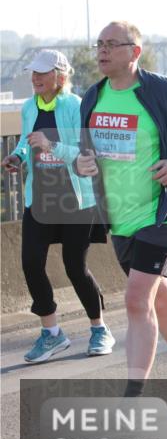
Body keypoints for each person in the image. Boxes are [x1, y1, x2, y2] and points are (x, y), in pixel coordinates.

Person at [74, 21, 167, 414]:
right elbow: (84, 152)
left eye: (112, 44)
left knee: (137, 299)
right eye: (99, 44)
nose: (102, 51)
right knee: (160, 300)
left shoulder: (163, 92)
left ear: (134, 51)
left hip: (162, 212)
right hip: (119, 217)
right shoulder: (93, 96)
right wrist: (83, 162)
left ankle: (132, 401)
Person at [2, 50, 112, 362]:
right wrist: (18, 157)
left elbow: (84, 152)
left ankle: (99, 329)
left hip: (75, 199)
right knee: (31, 264)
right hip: (40, 199)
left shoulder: (75, 106)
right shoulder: (28, 106)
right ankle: (51, 334)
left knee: (75, 267)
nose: (35, 78)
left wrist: (50, 145)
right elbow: (27, 140)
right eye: (33, 73)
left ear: (60, 77)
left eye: (42, 73)